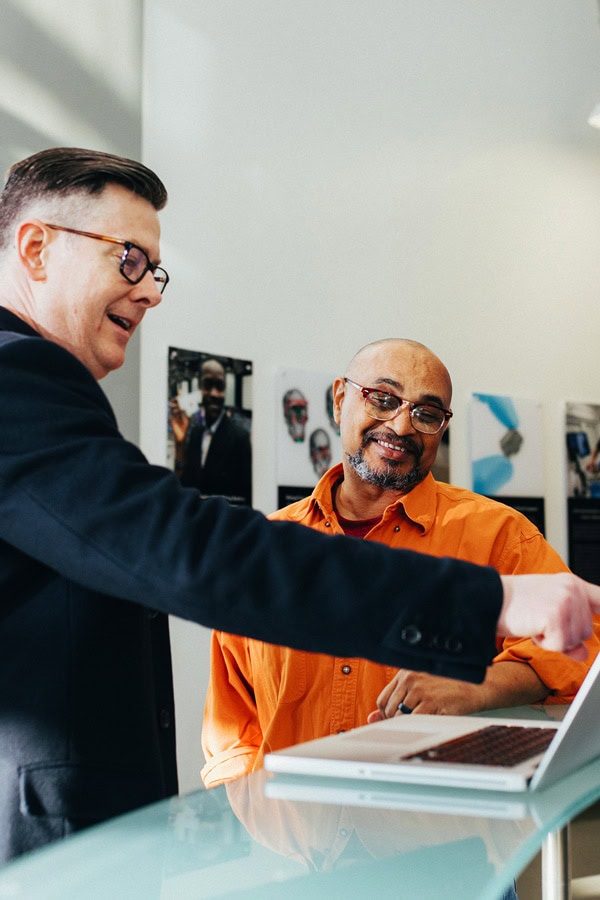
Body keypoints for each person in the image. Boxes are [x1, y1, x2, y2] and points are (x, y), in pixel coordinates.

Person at [0, 150, 598, 863]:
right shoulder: (18, 379)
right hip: (155, 847)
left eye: (154, 271)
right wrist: (488, 602)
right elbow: (197, 564)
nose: (150, 292)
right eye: (131, 259)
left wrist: (479, 685)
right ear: (35, 248)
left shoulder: (496, 529)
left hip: (444, 850)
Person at [201, 338, 600, 787]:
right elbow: (232, 729)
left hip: (439, 835)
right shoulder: (268, 550)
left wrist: (478, 685)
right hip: (294, 841)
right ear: (339, 400)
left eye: (426, 413)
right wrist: (255, 825)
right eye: (383, 398)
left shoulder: (499, 534)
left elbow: (583, 650)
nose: (401, 425)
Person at [171, 358, 252, 506]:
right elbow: (184, 487)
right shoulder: (195, 433)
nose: (214, 394)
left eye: (219, 387)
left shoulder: (240, 438)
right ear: (199, 387)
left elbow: (245, 499)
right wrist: (180, 445)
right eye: (208, 385)